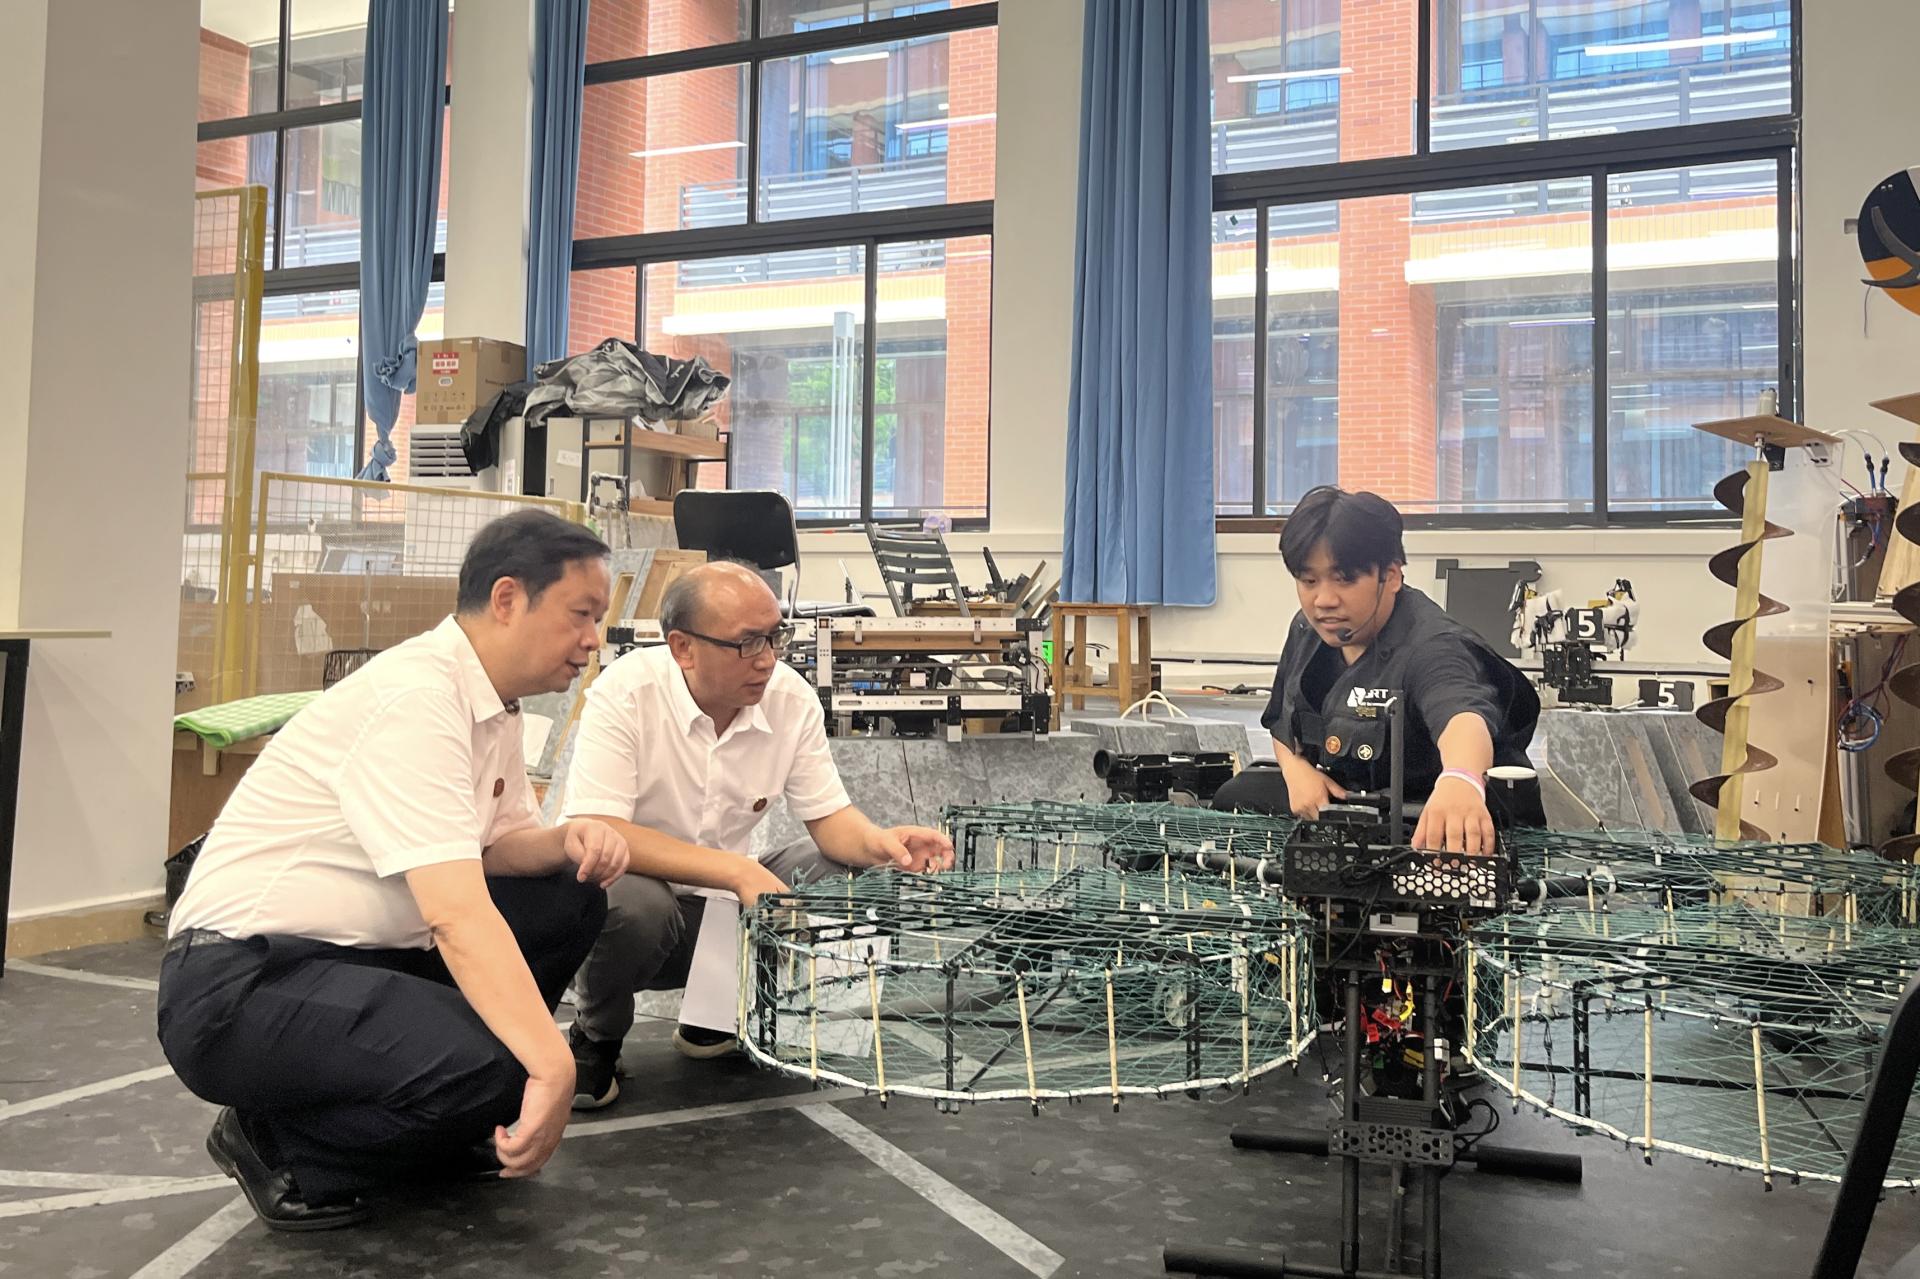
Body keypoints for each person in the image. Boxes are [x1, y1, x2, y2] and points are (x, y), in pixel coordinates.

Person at [157, 510, 632, 1232]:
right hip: (240, 984)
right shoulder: (419, 697)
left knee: (569, 894)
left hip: (347, 959)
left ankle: (443, 1112)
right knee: (504, 1065)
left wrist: (570, 839)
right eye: (582, 614)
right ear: (508, 599)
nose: (594, 638)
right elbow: (456, 912)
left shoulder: (492, 703)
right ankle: (276, 1143)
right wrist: (552, 1066)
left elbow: (497, 850)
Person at [559, 560, 955, 1109]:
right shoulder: (625, 693)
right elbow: (600, 830)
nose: (767, 659)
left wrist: (880, 844)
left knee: (842, 873)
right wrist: (738, 871)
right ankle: (597, 1035)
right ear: (683, 648)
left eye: (775, 637)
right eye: (747, 643)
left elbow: (830, 819)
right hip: (644, 909)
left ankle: (718, 1017)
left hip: (723, 910)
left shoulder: (790, 698)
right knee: (631, 901)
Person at [1214, 486, 1543, 852]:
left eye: (1344, 579)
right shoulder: (1307, 631)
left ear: (1392, 575)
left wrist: (1461, 779)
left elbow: (1462, 717)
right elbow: (1283, 722)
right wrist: (1296, 772)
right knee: (1236, 794)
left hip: (1438, 819)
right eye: (1309, 581)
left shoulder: (1432, 645)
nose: (1323, 600)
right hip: (1356, 807)